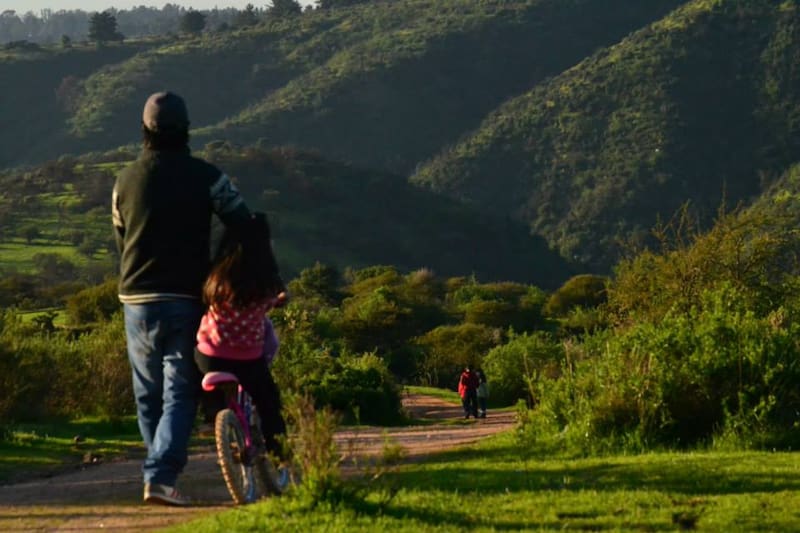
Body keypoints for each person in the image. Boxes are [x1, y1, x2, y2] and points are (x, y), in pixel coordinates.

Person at [112, 91, 269, 506]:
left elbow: (120, 236)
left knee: (147, 393)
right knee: (180, 391)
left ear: (145, 130)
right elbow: (243, 221)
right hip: (185, 297)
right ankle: (160, 476)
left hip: (135, 299)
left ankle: (157, 471)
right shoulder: (207, 176)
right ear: (186, 130)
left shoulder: (124, 179)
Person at [194, 216, 289, 465]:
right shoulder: (263, 285)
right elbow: (277, 299)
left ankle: (211, 412)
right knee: (269, 402)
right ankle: (281, 455)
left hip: (211, 357)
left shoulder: (215, 278)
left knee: (193, 363)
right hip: (247, 361)